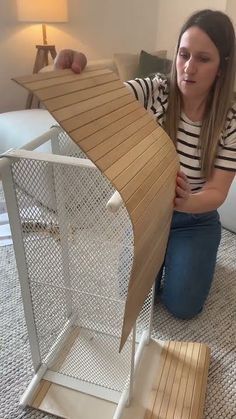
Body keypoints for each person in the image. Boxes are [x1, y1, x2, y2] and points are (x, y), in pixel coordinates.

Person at [54, 9, 236, 319]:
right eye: (183, 54)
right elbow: (104, 98)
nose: (188, 68)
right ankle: (174, 256)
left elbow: (218, 191)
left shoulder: (230, 120)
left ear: (221, 68)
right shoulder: (156, 90)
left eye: (203, 59)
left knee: (183, 307)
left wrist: (188, 201)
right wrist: (73, 78)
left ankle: (193, 256)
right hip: (150, 215)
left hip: (196, 221)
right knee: (131, 296)